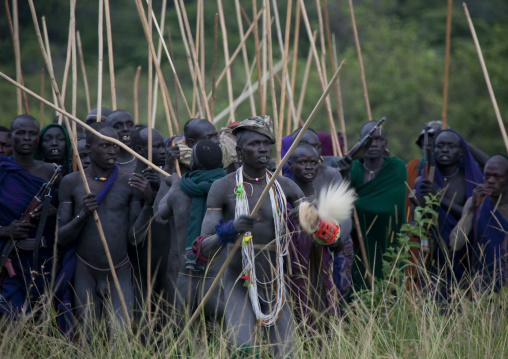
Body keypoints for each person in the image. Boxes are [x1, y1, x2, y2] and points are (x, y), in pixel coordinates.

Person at [195, 116, 349, 358]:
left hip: (278, 283)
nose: (263, 148)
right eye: (254, 144)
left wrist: (330, 236)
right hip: (239, 281)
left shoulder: (285, 186)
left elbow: (314, 224)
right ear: (239, 151)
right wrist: (230, 229)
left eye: (266, 143)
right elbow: (204, 248)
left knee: (286, 353)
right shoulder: (222, 188)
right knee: (242, 350)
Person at [57, 122, 154, 331]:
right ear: (89, 148)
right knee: (89, 335)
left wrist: (148, 203)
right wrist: (82, 215)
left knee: (122, 338)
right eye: (105, 146)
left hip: (119, 269)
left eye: (115, 145)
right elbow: (60, 237)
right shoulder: (72, 183)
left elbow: (134, 238)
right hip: (85, 269)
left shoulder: (130, 183)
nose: (113, 151)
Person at [286, 143, 352, 324]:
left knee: (322, 318)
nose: (309, 167)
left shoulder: (326, 200)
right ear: (290, 165)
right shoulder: (282, 195)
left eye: (313, 163)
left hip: (319, 269)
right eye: (302, 162)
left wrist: (320, 226)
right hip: (289, 270)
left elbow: (336, 241)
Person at [160, 139, 226, 322]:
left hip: (186, 280)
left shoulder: (179, 190)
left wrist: (173, 182)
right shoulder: (229, 189)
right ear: (221, 164)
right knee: (222, 342)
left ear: (193, 163)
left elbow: (159, 214)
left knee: (184, 343)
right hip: (218, 281)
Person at [0, 115, 59, 315]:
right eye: (21, 133)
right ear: (11, 136)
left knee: (45, 317)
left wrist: (53, 212)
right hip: (11, 256)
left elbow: (66, 213)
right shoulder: (2, 170)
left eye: (32, 134)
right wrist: (6, 230)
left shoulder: (51, 172)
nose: (27, 138)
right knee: (12, 317)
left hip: (44, 258)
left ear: (38, 139)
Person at [412, 129, 483, 297]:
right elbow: (415, 221)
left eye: (451, 146)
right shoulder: (423, 180)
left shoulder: (469, 181)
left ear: (460, 152)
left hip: (463, 254)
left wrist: (440, 197)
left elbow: (473, 217)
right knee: (434, 302)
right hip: (433, 255)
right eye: (440, 146)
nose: (444, 150)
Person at [349, 121, 406, 289]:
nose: (373, 144)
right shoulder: (353, 168)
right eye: (368, 140)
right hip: (358, 241)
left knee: (388, 286)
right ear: (359, 143)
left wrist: (355, 203)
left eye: (379, 139)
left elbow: (388, 206)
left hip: (387, 240)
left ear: (386, 143)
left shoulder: (396, 167)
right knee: (358, 288)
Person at [129, 127, 173, 310]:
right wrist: (148, 200)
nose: (162, 151)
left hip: (167, 261)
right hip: (141, 265)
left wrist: (165, 177)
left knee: (168, 315)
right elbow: (133, 237)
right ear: (139, 150)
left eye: (162, 146)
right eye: (156, 147)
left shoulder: (168, 176)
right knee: (143, 318)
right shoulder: (132, 181)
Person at [450, 154, 508, 293]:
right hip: (482, 287)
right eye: (487, 176)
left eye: (497, 176)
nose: (490, 181)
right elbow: (455, 244)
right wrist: (471, 210)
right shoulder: (475, 203)